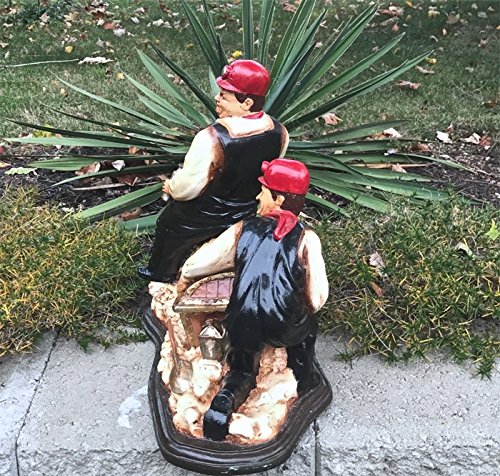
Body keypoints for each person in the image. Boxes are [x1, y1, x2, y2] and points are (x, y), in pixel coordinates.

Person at [177, 158, 329, 441]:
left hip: (243, 321)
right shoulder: (307, 238)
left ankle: (224, 402)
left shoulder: (243, 229)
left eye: (264, 191)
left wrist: (188, 277)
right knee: (306, 334)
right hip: (285, 325)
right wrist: (298, 308)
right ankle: (303, 377)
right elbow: (318, 296)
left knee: (241, 369)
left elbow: (197, 265)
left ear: (279, 199)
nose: (259, 196)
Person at [138, 60, 289, 283]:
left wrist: (171, 187)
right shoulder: (279, 132)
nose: (217, 98)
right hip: (248, 208)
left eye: (225, 96)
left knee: (169, 225)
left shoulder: (212, 138)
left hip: (208, 212)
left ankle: (161, 272)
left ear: (247, 103)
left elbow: (189, 187)